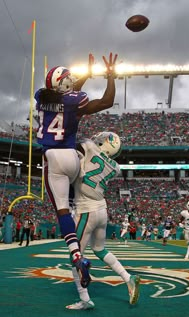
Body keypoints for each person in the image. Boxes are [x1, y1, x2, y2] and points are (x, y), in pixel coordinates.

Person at [34, 52, 118, 287]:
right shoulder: (74, 102)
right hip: (72, 157)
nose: (72, 81)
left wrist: (86, 75)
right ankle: (87, 232)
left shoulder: (40, 96)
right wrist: (110, 76)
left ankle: (77, 254)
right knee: (74, 205)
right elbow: (106, 101)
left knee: (62, 211)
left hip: (53, 157)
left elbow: (62, 95)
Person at [66, 132, 140, 310]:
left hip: (86, 210)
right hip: (102, 209)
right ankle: (128, 278)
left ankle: (85, 299)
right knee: (99, 249)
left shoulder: (89, 146)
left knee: (75, 257)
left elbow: (72, 150)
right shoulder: (115, 167)